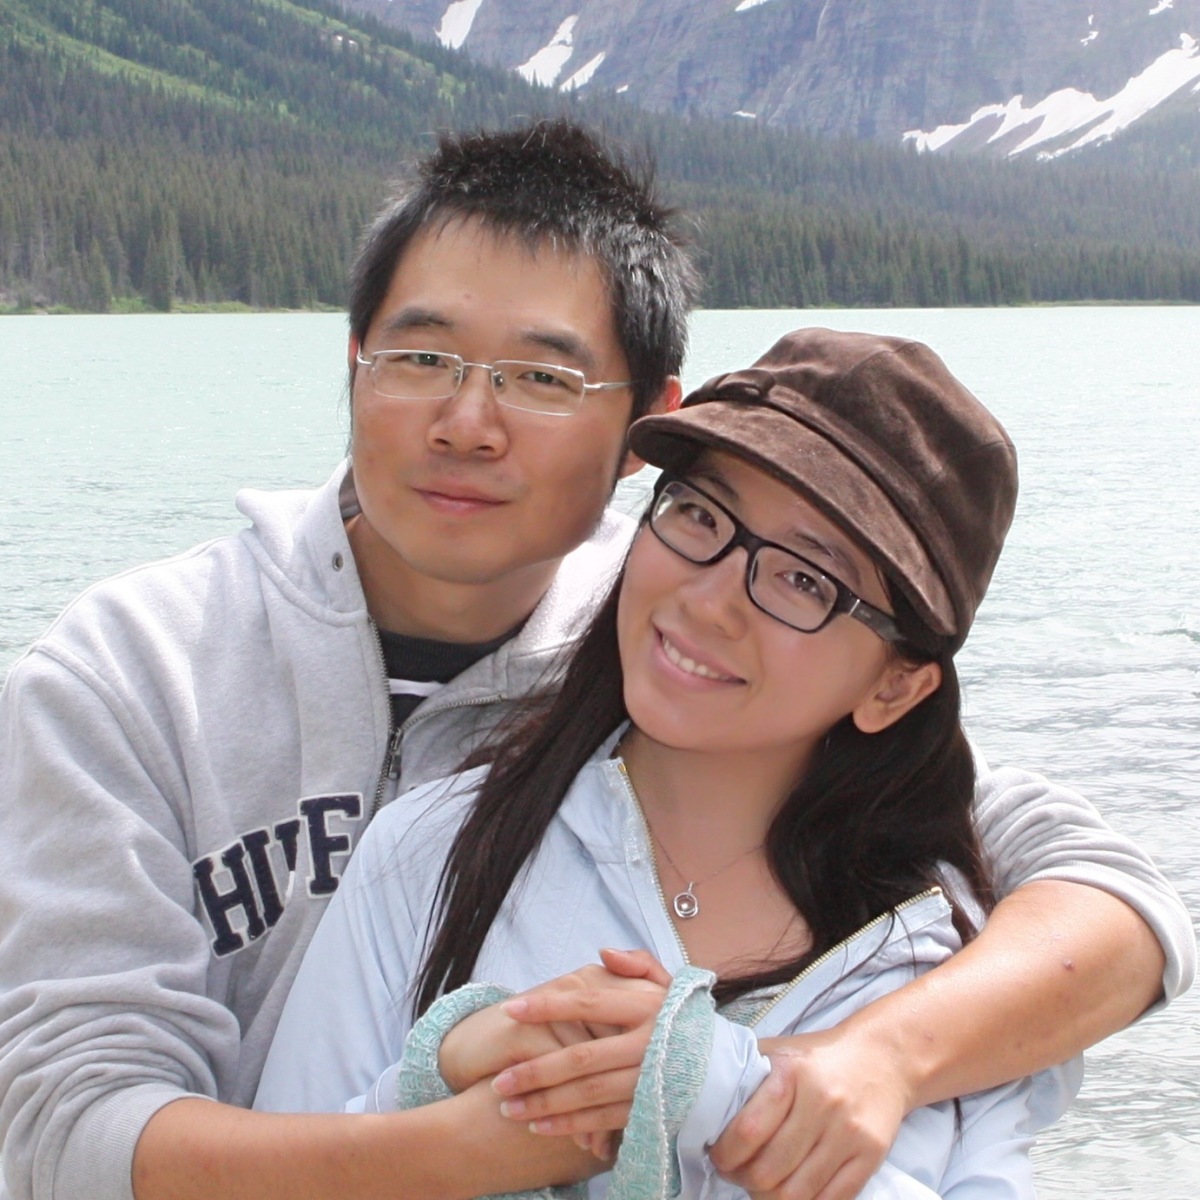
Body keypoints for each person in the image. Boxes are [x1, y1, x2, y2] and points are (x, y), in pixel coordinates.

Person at [0, 119, 1191, 1200]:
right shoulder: (136, 675)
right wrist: (488, 1124)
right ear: (354, 361)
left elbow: (1090, 885)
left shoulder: (680, 637)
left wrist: (868, 1057)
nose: (467, 422)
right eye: (422, 357)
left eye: (542, 377)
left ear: (639, 428)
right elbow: (62, 1133)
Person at [255, 327, 1084, 1198]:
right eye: (700, 515)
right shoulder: (432, 853)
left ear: (895, 687)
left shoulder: (951, 973)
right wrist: (437, 1091)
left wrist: (718, 1089)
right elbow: (292, 1165)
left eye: (805, 578)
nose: (710, 598)